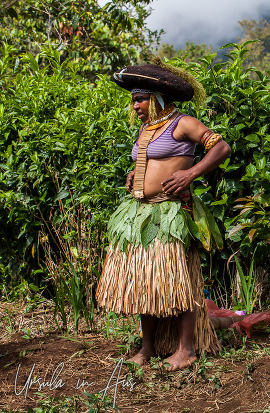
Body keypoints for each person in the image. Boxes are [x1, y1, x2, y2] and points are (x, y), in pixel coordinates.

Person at [96, 61, 231, 370]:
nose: (135, 106)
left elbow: (220, 147)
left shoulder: (183, 122)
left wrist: (191, 174)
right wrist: (135, 175)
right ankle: (147, 348)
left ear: (156, 98)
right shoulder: (146, 128)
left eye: (139, 99)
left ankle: (186, 349)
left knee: (178, 282)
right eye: (133, 100)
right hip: (143, 214)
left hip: (171, 214)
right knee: (149, 281)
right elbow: (152, 161)